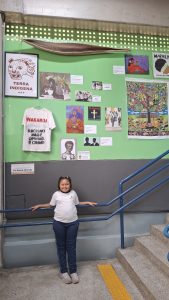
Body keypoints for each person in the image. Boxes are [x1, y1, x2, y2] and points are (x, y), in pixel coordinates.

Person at [31, 176, 97, 284]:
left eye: (67, 184)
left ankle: (73, 271)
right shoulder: (56, 194)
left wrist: (87, 202)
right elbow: (50, 205)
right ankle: (63, 272)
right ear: (59, 185)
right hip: (59, 224)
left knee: (71, 248)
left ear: (70, 185)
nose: (65, 186)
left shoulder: (73, 193)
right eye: (62, 184)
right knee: (61, 248)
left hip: (73, 224)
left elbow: (77, 203)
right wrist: (39, 205)